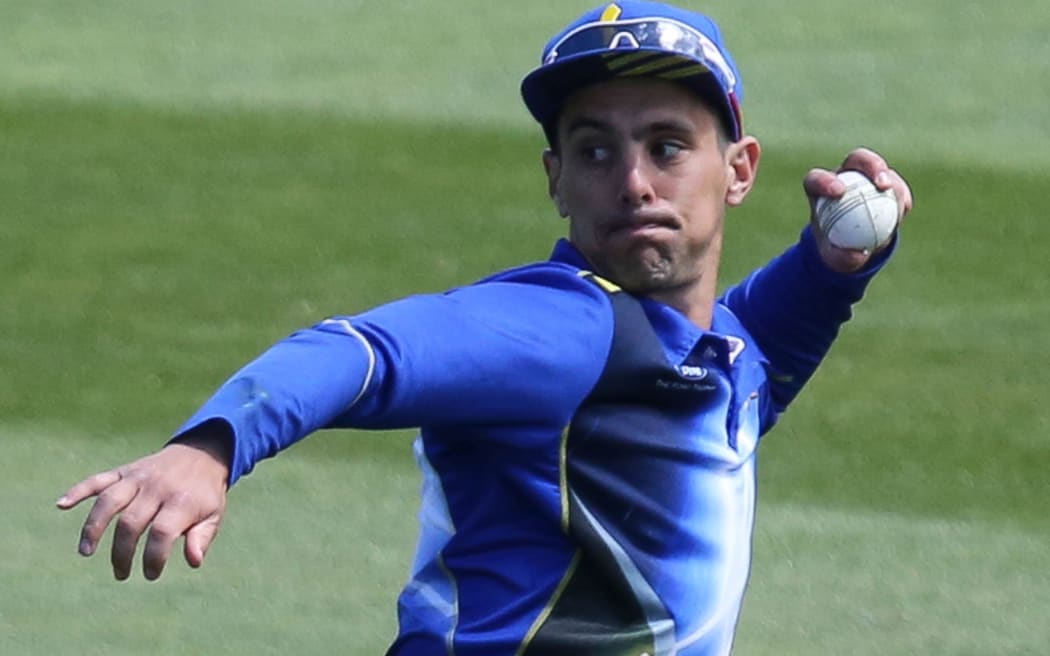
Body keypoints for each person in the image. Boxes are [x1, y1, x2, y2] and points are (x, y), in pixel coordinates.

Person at [57, 1, 913, 654]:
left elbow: (749, 357)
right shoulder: (562, 329)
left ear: (739, 170)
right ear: (556, 178)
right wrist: (211, 446)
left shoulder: (705, 349)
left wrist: (833, 267)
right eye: (595, 150)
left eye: (666, 145)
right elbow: (367, 353)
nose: (634, 183)